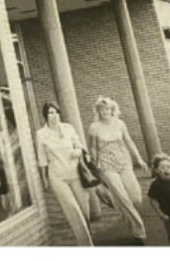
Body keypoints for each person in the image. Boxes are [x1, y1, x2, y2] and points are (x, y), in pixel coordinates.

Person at [86, 96, 147, 245]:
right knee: (122, 197)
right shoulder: (94, 127)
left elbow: (129, 141)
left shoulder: (120, 124)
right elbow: (93, 148)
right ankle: (139, 232)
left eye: (107, 109)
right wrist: (95, 166)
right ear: (98, 111)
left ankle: (128, 216)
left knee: (136, 197)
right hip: (107, 166)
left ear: (112, 109)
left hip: (124, 163)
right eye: (101, 109)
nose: (104, 112)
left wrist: (138, 159)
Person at [34, 101, 92, 246]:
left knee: (85, 209)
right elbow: (42, 159)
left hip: (76, 174)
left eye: (56, 112)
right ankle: (87, 245)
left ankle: (87, 231)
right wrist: (44, 179)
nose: (54, 116)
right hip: (57, 178)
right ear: (45, 116)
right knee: (73, 211)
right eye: (50, 113)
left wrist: (78, 151)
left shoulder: (68, 128)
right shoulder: (41, 134)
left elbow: (80, 146)